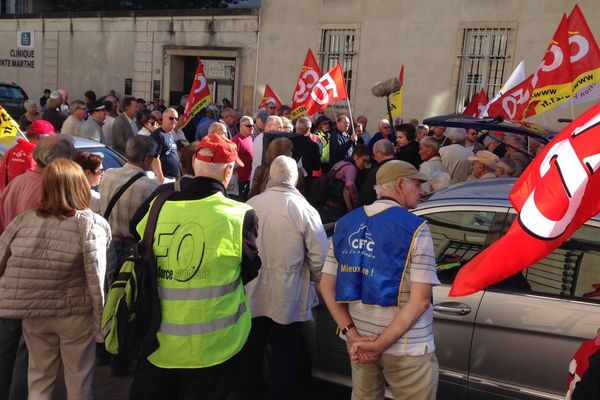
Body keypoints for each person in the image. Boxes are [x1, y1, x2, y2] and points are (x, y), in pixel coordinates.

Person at [129, 133, 261, 400]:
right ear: (228, 173)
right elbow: (249, 270)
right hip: (215, 347)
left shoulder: (159, 203)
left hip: (158, 342)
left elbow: (136, 232)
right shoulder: (239, 215)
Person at [320, 160, 440, 400]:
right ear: (399, 185)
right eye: (416, 184)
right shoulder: (416, 228)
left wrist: (353, 336)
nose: (421, 191)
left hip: (360, 341)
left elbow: (326, 285)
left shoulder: (345, 223)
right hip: (407, 347)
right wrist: (379, 344)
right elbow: (420, 302)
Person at [0, 158, 110, 400]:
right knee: (79, 382)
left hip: (34, 313)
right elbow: (96, 277)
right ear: (80, 185)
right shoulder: (90, 224)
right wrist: (102, 324)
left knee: (38, 379)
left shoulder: (23, 221)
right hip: (75, 315)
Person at [240, 155, 328, 399]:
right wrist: (323, 285)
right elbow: (319, 257)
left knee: (252, 345)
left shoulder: (251, 204)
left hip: (254, 290)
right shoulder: (304, 210)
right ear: (296, 179)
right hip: (288, 295)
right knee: (285, 350)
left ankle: (247, 390)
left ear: (270, 176)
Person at [0, 137, 76, 400]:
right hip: (31, 286)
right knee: (28, 357)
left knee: (8, 351)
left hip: (10, 281)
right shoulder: (46, 191)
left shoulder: (17, 182)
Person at [99, 136, 159, 289]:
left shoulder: (107, 175)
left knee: (108, 289)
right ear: (146, 159)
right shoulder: (151, 187)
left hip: (107, 244)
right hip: (132, 249)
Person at [0, 119, 55, 192]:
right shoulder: (35, 156)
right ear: (38, 137)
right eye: (49, 138)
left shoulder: (12, 150)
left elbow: (2, 175)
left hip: (10, 195)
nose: (51, 142)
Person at [359, 139, 395, 206]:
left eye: (374, 155)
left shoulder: (375, 173)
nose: (374, 158)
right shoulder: (404, 166)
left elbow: (366, 199)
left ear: (380, 154)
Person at [151, 107, 181, 180]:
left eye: (176, 119)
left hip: (172, 177)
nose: (174, 121)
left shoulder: (170, 134)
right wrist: (161, 178)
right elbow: (154, 158)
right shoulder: (158, 134)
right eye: (171, 118)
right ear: (164, 118)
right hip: (164, 178)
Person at [231, 116, 254, 200]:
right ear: (241, 126)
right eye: (249, 126)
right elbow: (232, 158)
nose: (251, 128)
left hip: (249, 178)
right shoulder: (236, 140)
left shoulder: (250, 138)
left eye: (252, 125)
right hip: (240, 180)